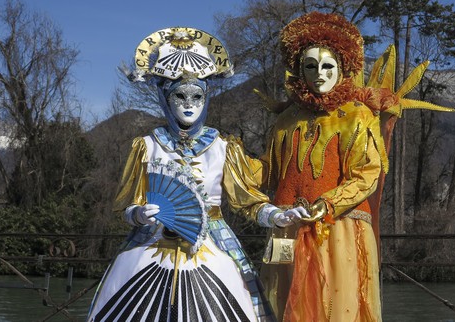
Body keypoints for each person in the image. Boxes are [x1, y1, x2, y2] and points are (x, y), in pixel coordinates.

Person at [87, 27, 307, 322]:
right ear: (166, 97)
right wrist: (139, 214)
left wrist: (275, 216)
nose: (189, 103)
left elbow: (248, 201)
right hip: (151, 243)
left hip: (212, 243)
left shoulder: (223, 147)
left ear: (206, 98)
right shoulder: (146, 146)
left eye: (197, 96)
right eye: (180, 95)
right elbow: (126, 207)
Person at [258, 12, 452, 321]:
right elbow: (268, 171)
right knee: (283, 304)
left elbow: (367, 172)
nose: (319, 74)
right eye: (310, 66)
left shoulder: (356, 115)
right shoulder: (285, 120)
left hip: (337, 230)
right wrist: (227, 160)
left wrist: (329, 203)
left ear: (342, 67)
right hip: (286, 230)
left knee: (336, 304)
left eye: (327, 66)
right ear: (298, 69)